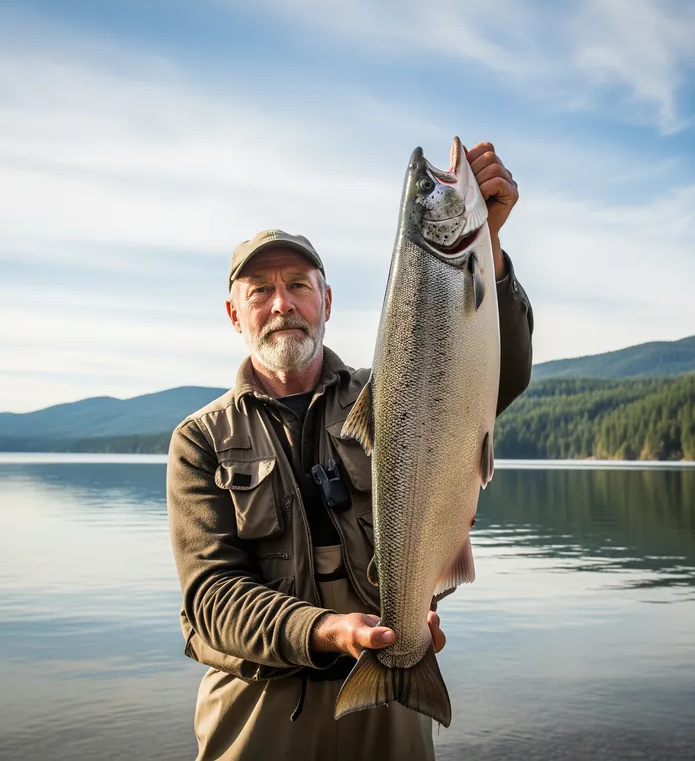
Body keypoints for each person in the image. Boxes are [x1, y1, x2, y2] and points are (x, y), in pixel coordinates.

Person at [166, 142, 534, 761]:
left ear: (326, 301)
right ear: (236, 314)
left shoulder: (397, 390)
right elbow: (211, 600)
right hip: (256, 719)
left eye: (298, 286)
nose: (281, 304)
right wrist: (329, 631)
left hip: (391, 704)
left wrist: (487, 252)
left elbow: (502, 376)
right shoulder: (199, 440)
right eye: (260, 291)